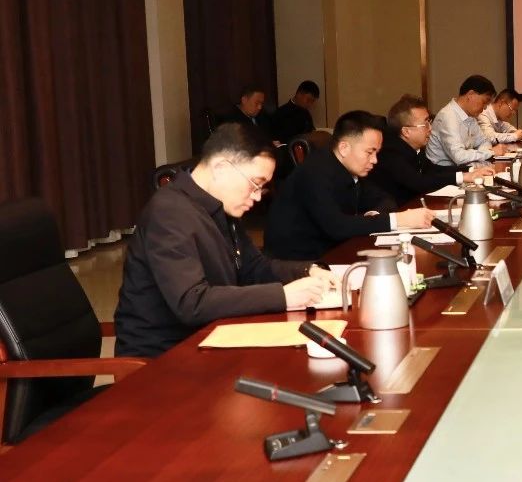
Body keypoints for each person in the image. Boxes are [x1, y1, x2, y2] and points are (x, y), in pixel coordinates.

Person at [114, 124, 332, 358]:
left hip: (211, 337)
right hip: (164, 358)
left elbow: (254, 267)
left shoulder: (219, 206)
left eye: (261, 188)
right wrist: (284, 296)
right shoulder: (169, 213)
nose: (257, 196)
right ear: (221, 168)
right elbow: (191, 303)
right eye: (255, 184)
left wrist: (307, 270)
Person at [265, 110, 430, 260]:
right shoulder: (315, 172)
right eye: (369, 152)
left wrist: (374, 215)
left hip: (334, 249)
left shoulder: (350, 168)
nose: (374, 160)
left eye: (376, 153)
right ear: (344, 148)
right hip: (297, 262)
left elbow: (385, 199)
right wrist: (397, 220)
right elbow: (337, 226)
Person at [371, 94, 495, 206]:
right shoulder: (391, 153)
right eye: (425, 123)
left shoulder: (415, 148)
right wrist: (463, 177)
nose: (430, 128)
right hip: (396, 212)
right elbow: (420, 182)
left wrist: (471, 170)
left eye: (429, 121)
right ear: (406, 131)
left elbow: (434, 169)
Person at [426, 75, 515, 166]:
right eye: (484, 102)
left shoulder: (470, 116)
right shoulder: (448, 116)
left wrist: (482, 154)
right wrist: (490, 152)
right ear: (470, 95)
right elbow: (459, 157)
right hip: (444, 172)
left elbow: (484, 141)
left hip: (463, 169)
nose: (485, 107)